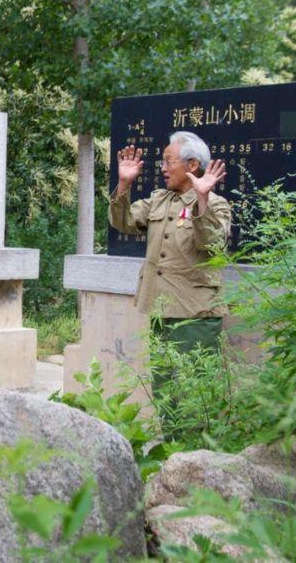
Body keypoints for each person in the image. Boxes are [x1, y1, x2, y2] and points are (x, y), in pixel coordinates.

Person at [108, 131, 231, 411]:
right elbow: (124, 222)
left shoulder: (216, 205)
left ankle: (197, 454)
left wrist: (201, 200)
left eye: (168, 161)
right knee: (165, 391)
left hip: (194, 315)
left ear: (192, 166)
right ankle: (172, 452)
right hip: (161, 309)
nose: (162, 168)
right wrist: (124, 185)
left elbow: (211, 244)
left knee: (195, 391)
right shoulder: (160, 200)